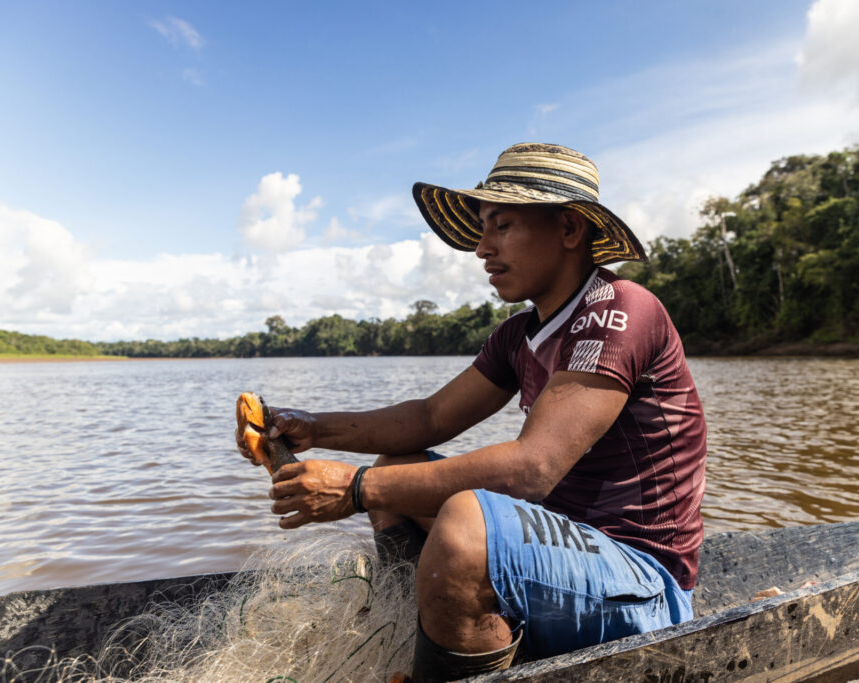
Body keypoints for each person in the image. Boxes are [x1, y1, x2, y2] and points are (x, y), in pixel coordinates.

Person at [236, 143, 707, 681]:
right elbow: (430, 418)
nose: (482, 248)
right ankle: (430, 644)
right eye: (484, 229)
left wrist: (355, 488)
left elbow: (533, 467)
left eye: (502, 226)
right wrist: (313, 429)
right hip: (562, 554)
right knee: (398, 465)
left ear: (571, 230)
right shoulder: (518, 336)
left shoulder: (622, 310)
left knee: (462, 525)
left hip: (643, 583)